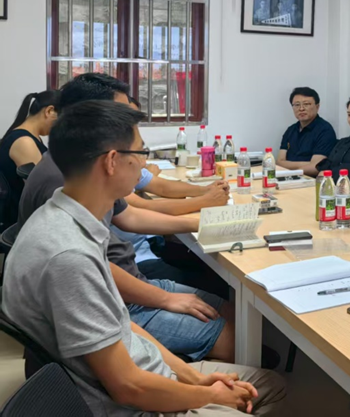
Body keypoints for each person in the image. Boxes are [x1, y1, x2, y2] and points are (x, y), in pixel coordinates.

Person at [2, 100, 290, 416]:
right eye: (141, 152)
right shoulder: (69, 256)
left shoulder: (68, 218)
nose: (145, 163)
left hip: (145, 372)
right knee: (265, 392)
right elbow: (128, 387)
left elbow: (120, 322)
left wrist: (193, 377)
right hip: (132, 403)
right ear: (112, 161)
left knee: (271, 385)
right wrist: (208, 396)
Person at [19, 73, 234, 361]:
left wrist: (202, 221)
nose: (143, 162)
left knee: (234, 312)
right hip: (116, 301)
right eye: (120, 114)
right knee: (243, 338)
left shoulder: (84, 168)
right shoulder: (66, 181)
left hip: (129, 283)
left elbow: (130, 215)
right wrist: (166, 300)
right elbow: (94, 269)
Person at [0, 90, 59, 221]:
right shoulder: (24, 142)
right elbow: (41, 191)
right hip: (19, 220)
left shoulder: (31, 138)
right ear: (49, 111)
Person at [277, 87, 337, 176]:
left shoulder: (325, 130)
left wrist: (289, 168)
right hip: (288, 176)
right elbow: (279, 162)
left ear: (317, 107)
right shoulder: (290, 130)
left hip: (310, 179)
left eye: (306, 104)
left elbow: (316, 167)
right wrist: (307, 163)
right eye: (297, 105)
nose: (301, 108)